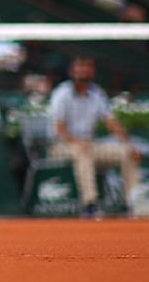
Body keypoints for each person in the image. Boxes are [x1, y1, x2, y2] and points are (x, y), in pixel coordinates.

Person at [47, 56, 140, 218]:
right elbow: (58, 128)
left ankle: (131, 203)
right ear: (72, 71)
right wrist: (77, 142)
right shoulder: (62, 94)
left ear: (93, 71)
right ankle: (90, 204)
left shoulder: (97, 93)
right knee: (83, 152)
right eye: (79, 66)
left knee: (127, 153)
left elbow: (111, 122)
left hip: (89, 143)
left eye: (87, 66)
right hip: (61, 145)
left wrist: (129, 144)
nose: (83, 70)